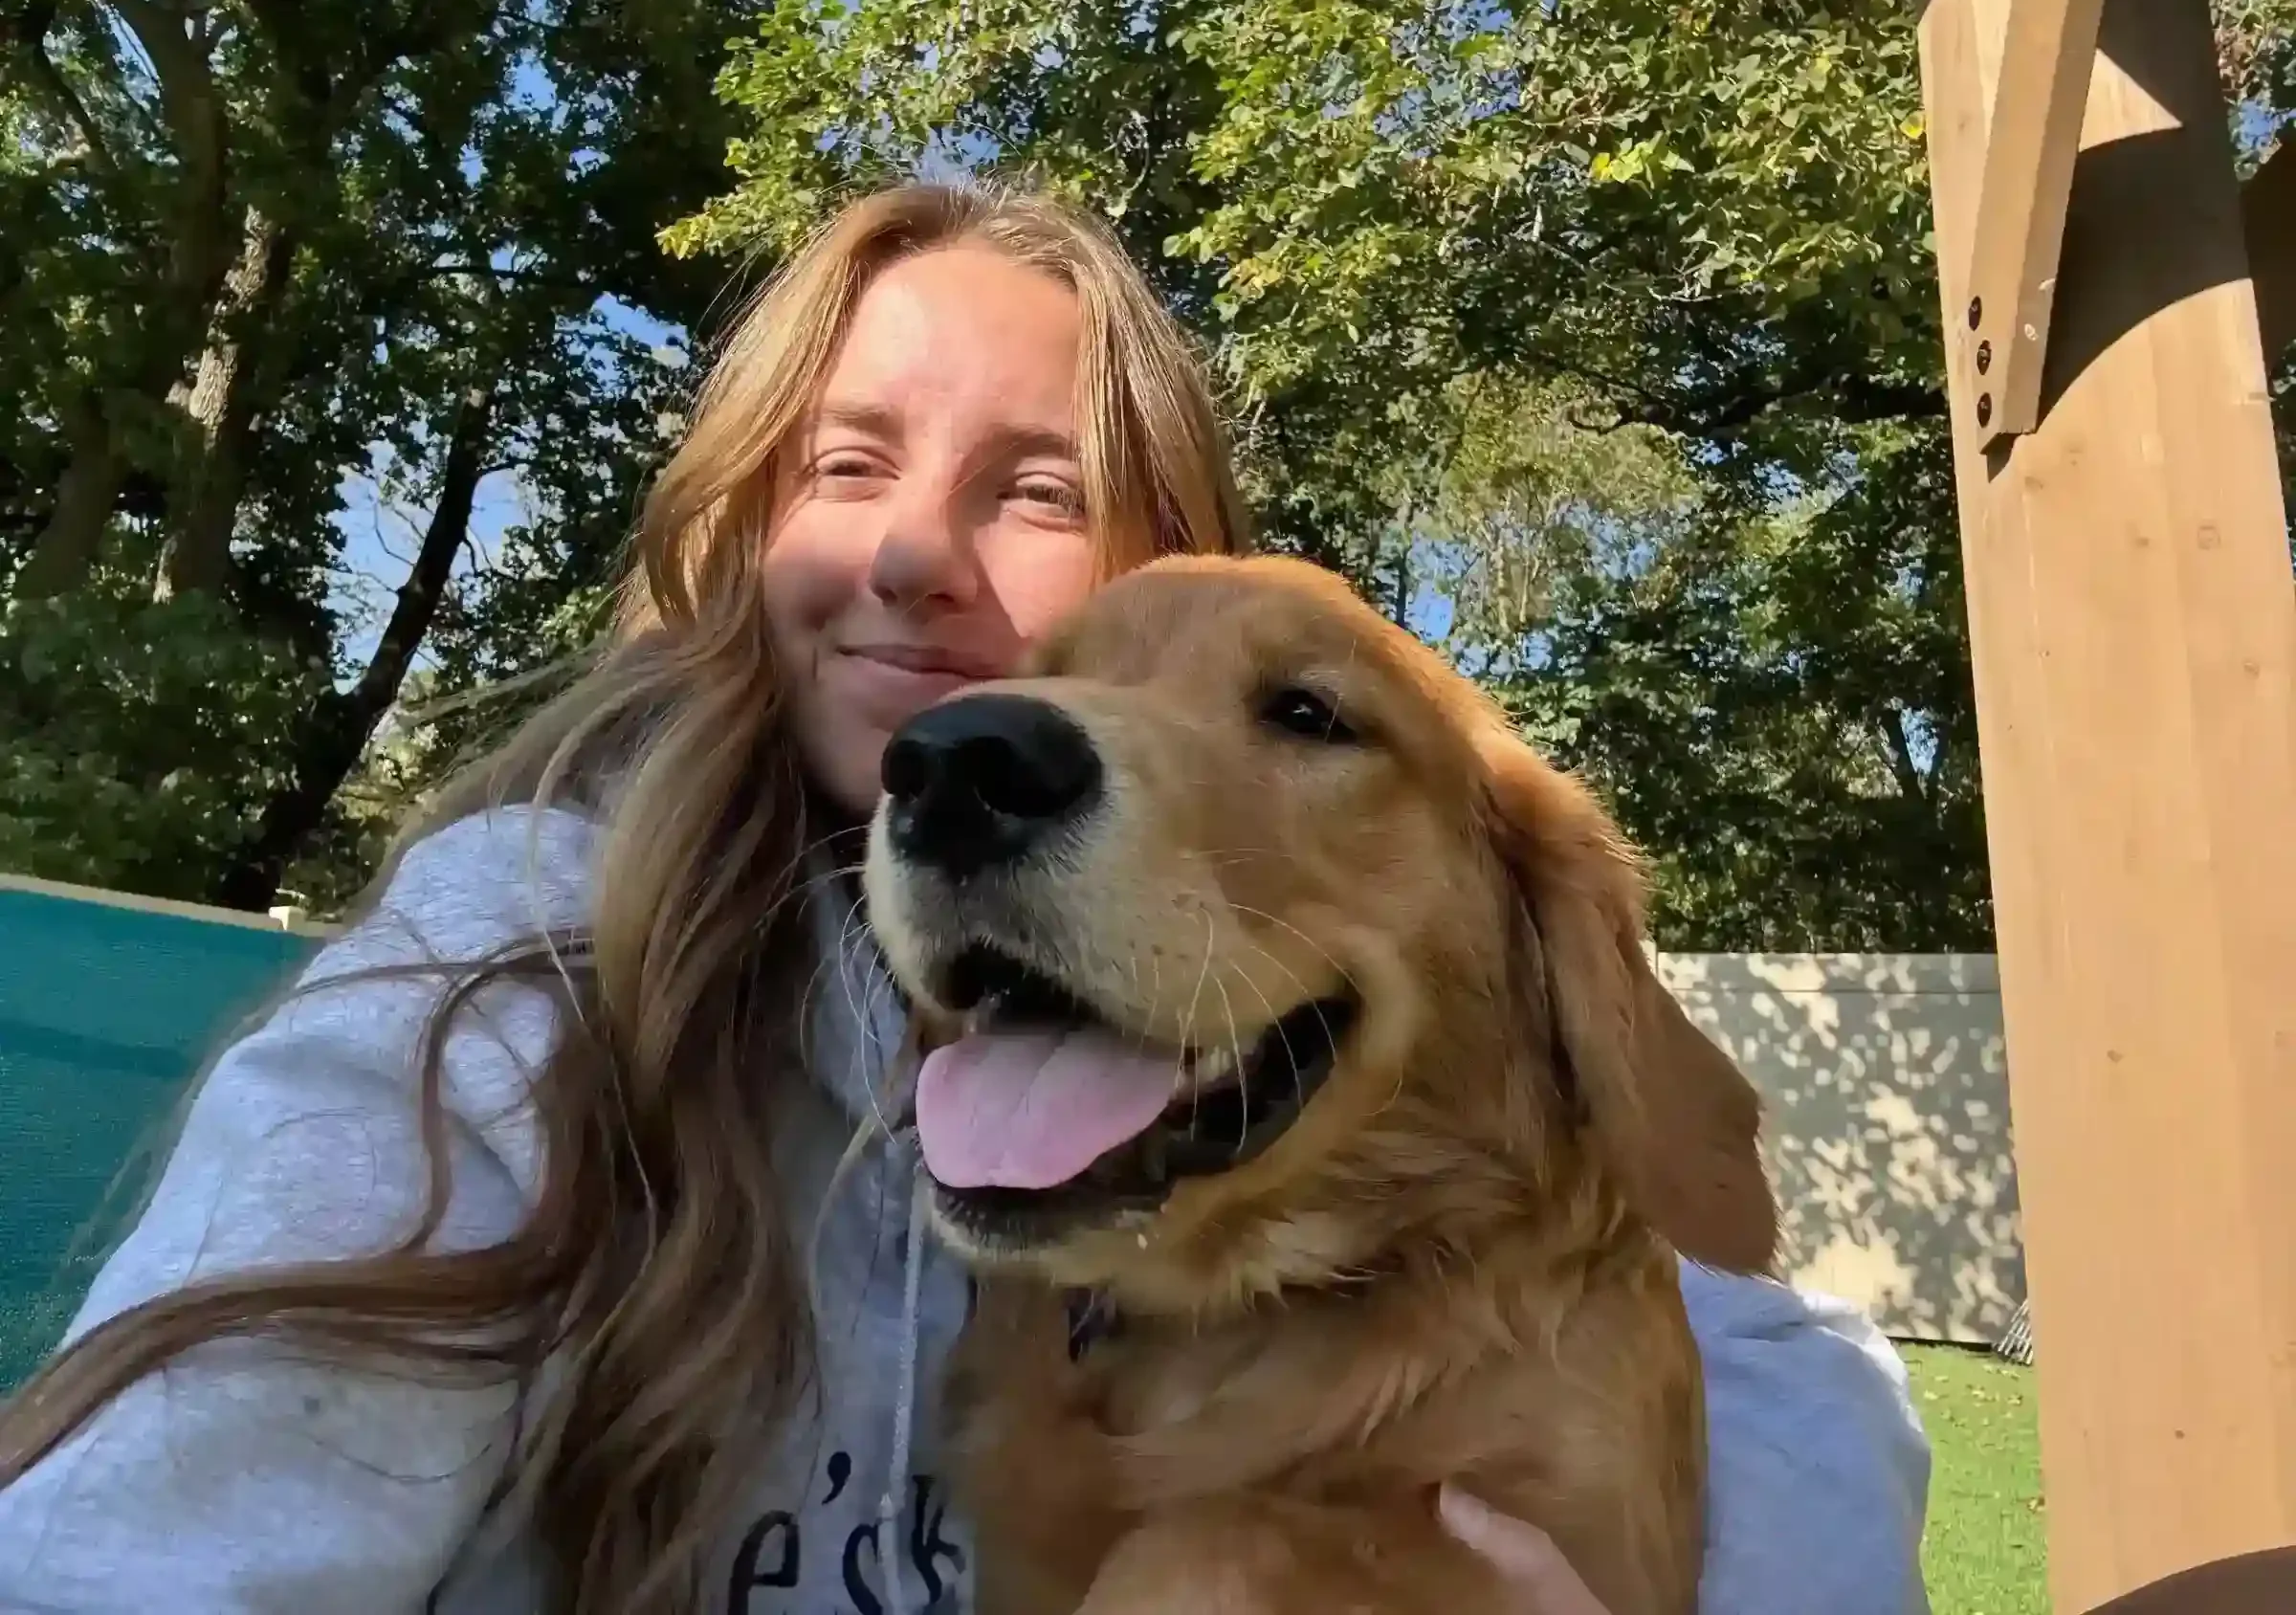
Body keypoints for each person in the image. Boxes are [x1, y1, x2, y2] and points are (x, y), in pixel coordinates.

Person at [0, 182, 1932, 1615]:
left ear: (1173, 563)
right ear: (740, 548)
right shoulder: (515, 975)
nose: (914, 552)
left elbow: (1758, 1329)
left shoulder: (1318, 1091)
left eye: (1030, 490)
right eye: (845, 467)